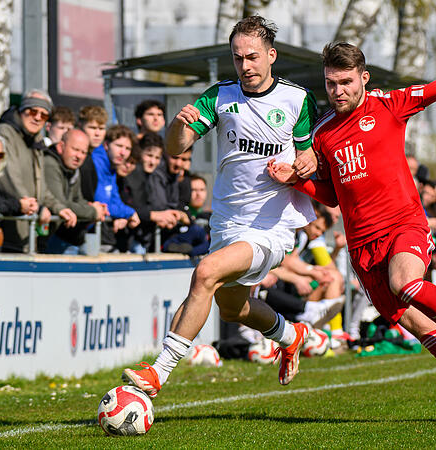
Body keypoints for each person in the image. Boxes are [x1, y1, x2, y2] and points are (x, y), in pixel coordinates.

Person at [268, 30, 436, 425]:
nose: (338, 91)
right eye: (331, 83)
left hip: (403, 225)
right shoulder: (321, 134)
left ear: (364, 77)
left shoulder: (390, 105)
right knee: (425, 332)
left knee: (405, 283)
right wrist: (295, 180)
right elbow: (333, 196)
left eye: (345, 82)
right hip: (362, 249)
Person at [122, 16, 320, 397]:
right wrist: (179, 125)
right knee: (232, 308)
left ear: (271, 56)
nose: (245, 65)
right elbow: (176, 147)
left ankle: (158, 373)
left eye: (252, 57)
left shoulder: (296, 100)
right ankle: (290, 335)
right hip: (227, 222)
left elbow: (310, 157)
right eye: (238, 57)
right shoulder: (220, 96)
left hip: (270, 227)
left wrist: (298, 168)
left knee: (206, 272)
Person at [0, 89, 69, 252]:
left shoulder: (37, 140)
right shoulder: (5, 132)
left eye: (44, 115)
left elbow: (41, 187)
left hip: (29, 233)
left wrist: (59, 208)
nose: (37, 118)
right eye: (33, 111)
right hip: (7, 231)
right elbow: (8, 177)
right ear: (22, 110)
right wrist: (37, 208)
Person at [43, 129, 107, 254]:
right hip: (45, 239)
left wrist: (96, 207)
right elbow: (60, 203)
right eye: (75, 150)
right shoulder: (50, 164)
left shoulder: (73, 169)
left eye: (83, 152)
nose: (79, 156)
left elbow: (78, 199)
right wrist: (93, 211)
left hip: (61, 236)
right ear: (61, 147)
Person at [81, 124, 141, 252]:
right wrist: (129, 213)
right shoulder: (96, 163)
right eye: (119, 146)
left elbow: (115, 199)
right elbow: (103, 204)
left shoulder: (111, 166)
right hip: (79, 234)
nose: (123, 153)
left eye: (127, 148)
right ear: (106, 145)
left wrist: (127, 213)